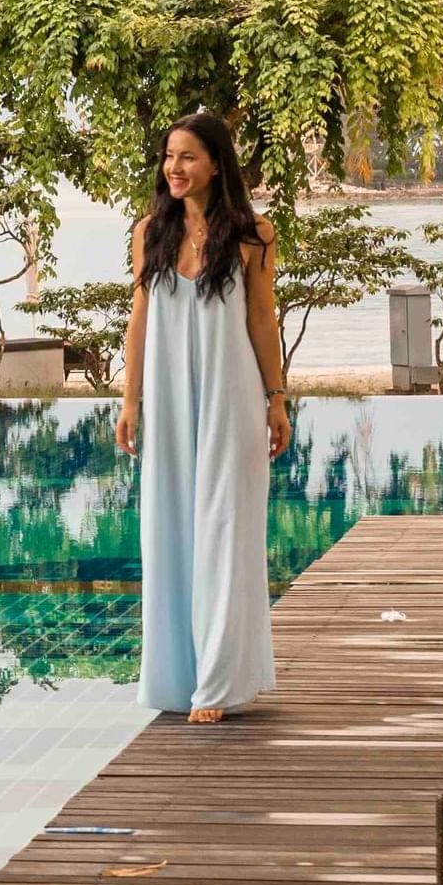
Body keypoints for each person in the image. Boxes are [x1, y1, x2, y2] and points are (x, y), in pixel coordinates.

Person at [115, 112, 290, 724]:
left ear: (216, 163)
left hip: (230, 396)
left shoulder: (253, 235)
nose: (174, 168)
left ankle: (216, 681)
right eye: (169, 157)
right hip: (166, 402)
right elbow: (138, 320)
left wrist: (276, 397)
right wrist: (130, 398)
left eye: (187, 157)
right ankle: (175, 677)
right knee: (169, 528)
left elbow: (262, 321)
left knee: (224, 529)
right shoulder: (149, 233)